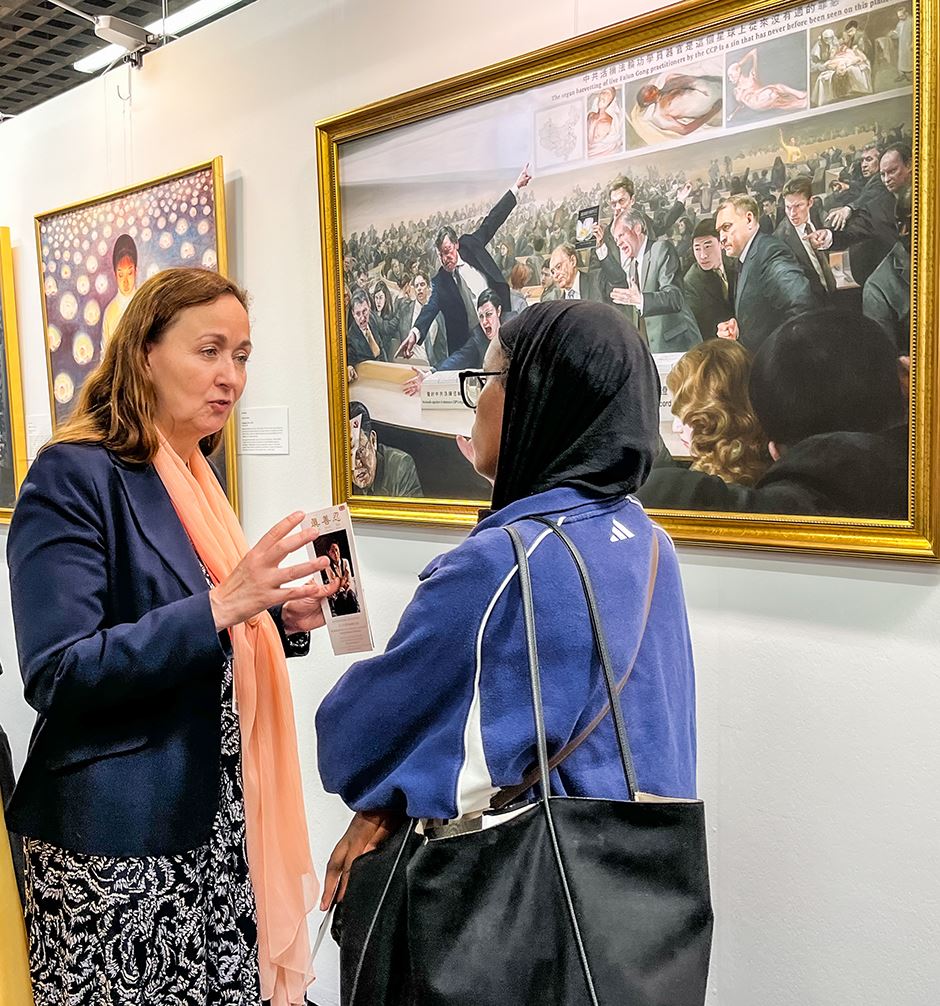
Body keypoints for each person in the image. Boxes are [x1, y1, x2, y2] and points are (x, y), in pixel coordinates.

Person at [317, 302, 698, 958]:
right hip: (638, 912)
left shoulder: (503, 564)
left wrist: (385, 799)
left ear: (537, 400)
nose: (477, 400)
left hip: (522, 917)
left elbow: (355, 740)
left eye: (488, 379)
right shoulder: (647, 539)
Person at [6, 268, 339, 1006]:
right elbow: (58, 671)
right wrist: (223, 607)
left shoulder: (193, 478)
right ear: (145, 354)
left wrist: (273, 619)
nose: (231, 377)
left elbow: (200, 624)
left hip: (216, 826)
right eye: (209, 351)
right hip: (116, 847)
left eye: (242, 356)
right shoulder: (73, 473)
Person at [639, 309, 908, 518]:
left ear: (775, 449)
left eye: (686, 414)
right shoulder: (912, 493)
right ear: (905, 377)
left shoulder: (728, 509)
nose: (677, 426)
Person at [398, 164, 533, 359]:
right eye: (440, 255)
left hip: (499, 324)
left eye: (447, 252)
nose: (445, 259)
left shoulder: (470, 244)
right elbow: (430, 309)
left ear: (456, 244)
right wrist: (415, 333)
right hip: (472, 342)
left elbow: (492, 222)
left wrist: (516, 187)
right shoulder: (440, 281)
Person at [715, 194, 817, 351]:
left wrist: (777, 356)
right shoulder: (748, 255)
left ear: (749, 220)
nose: (721, 238)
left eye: (726, 227)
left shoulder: (770, 252)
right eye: (719, 231)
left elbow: (802, 305)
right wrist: (739, 330)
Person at [666, 339, 771, 486]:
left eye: (685, 415)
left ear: (718, 417)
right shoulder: (769, 469)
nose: (676, 428)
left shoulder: (706, 491)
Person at [602, 210, 702, 352]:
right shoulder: (632, 267)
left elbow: (675, 297)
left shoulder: (661, 249)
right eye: (616, 239)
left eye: (621, 235)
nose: (618, 243)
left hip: (678, 345)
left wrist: (641, 300)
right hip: (653, 350)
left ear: (637, 228)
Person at [808, 143, 898, 286]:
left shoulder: (882, 185)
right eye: (862, 160)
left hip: (882, 269)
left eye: (869, 159)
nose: (864, 165)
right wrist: (848, 187)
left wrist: (849, 208)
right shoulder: (871, 181)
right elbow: (865, 190)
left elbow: (871, 194)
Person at [403, 289, 508, 396]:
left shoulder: (513, 325)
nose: (485, 322)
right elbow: (457, 359)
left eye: (489, 314)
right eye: (481, 316)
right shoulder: (478, 337)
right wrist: (430, 375)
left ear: (498, 311)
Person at [863, 185, 911, 354]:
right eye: (900, 222)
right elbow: (884, 355)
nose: (903, 232)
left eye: (913, 222)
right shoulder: (878, 287)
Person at [775, 175, 836, 299]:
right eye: (788, 207)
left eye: (798, 206)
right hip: (811, 300)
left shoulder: (817, 212)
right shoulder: (779, 239)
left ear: (810, 202)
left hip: (833, 290)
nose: (792, 213)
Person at [349, 401, 423, 497]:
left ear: (373, 440)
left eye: (360, 451)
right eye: (348, 456)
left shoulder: (400, 466)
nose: (357, 464)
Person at [683, 218, 736, 340]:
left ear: (721, 244)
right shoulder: (691, 282)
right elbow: (695, 327)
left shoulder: (736, 264)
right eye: (697, 249)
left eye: (708, 246)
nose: (703, 255)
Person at [726, 48, 808, 118]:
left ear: (738, 71)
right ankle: (800, 101)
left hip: (762, 95)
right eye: (729, 76)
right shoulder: (737, 90)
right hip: (757, 103)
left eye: (731, 75)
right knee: (774, 96)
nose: (730, 79)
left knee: (777, 90)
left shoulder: (752, 76)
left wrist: (739, 64)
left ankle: (800, 96)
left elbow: (754, 52)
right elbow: (741, 103)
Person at [634, 73, 722, 136]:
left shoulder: (670, 80)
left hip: (716, 86)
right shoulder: (659, 115)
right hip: (712, 106)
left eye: (648, 87)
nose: (649, 88)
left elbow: (696, 80)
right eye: (646, 92)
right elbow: (684, 130)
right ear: (646, 102)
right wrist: (712, 112)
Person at [100, 233, 138, 352]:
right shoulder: (110, 312)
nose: (125, 282)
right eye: (121, 275)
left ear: (136, 271)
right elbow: (105, 355)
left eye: (130, 273)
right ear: (115, 275)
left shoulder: (145, 303)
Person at [322, 541, 359, 616]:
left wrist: (341, 582)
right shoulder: (328, 567)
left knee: (351, 596)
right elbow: (335, 586)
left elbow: (349, 581)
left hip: (349, 591)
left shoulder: (345, 562)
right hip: (338, 595)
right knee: (341, 598)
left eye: (336, 550)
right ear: (328, 553)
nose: (336, 553)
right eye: (332, 551)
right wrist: (344, 577)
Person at [587, 85, 625, 157]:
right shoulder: (590, 115)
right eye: (603, 92)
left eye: (608, 93)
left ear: (611, 102)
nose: (603, 95)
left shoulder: (608, 122)